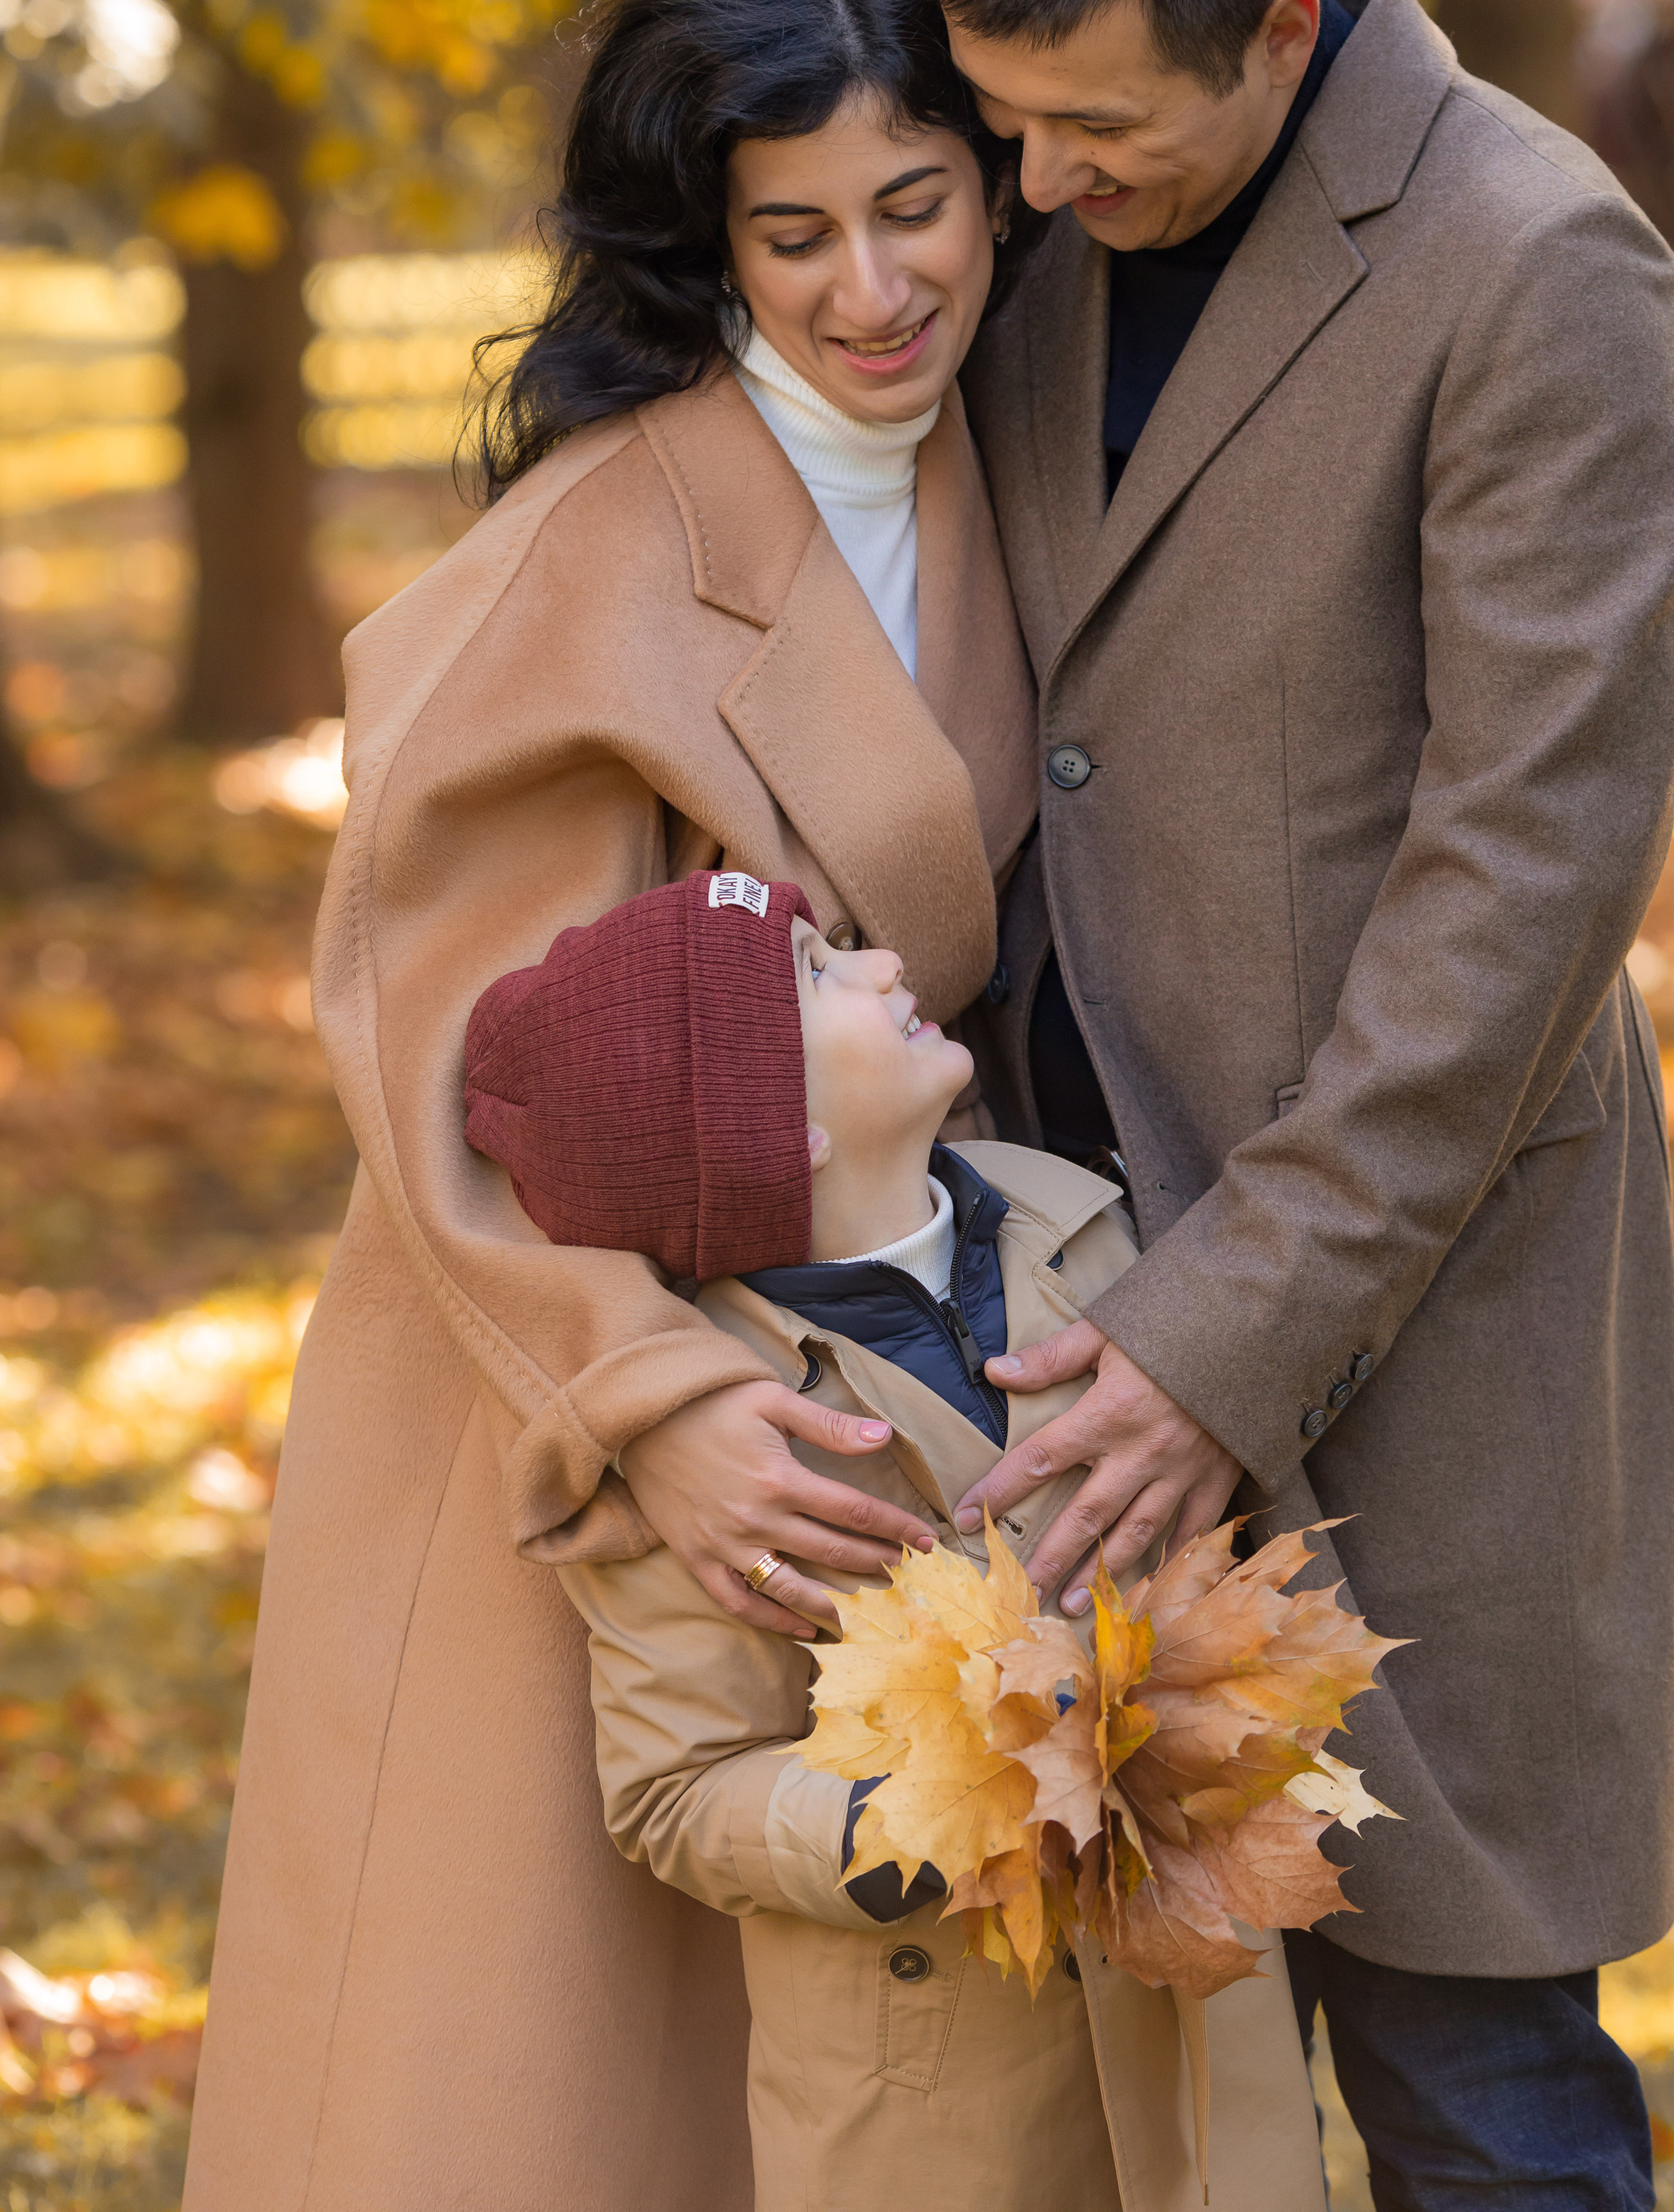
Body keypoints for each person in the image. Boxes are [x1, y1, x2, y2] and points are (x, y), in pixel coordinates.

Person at [186, 0, 1224, 2211]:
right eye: (794, 232)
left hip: (886, 1312)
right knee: (554, 2075)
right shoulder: (597, 554)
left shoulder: (1008, 451)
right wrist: (655, 1408)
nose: (873, 288)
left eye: (916, 204)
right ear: (705, 239)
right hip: (575, 1369)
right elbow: (445, 1045)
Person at [920, 0, 1674, 2208]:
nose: (1028, 187)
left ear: (1283, 30)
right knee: (1148, 2105)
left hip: (1414, 1315)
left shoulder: (1544, 269)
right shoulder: (1055, 211)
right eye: (1005, 118)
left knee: (1474, 2084)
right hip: (1055, 1299)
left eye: (1092, 133)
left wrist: (1220, 1334)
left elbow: (1520, 887)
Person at [459, 863, 1331, 2212]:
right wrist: (923, 1818)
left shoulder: (1102, 1234)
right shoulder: (708, 1452)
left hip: (1190, 2003)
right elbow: (676, 1790)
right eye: (819, 976)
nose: (877, 966)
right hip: (933, 2077)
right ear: (774, 1132)